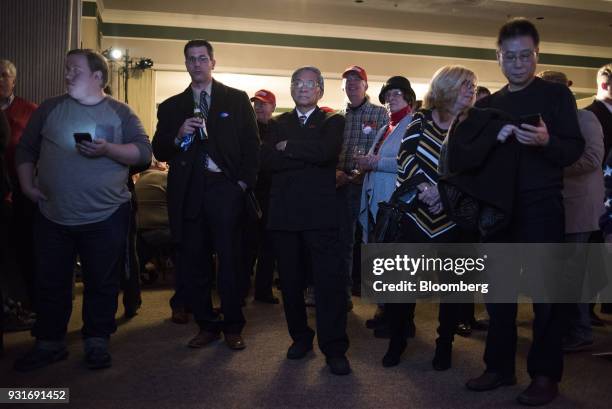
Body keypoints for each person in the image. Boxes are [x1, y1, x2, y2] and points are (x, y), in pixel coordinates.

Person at [464, 19, 584, 406]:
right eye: (509, 56)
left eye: (525, 56)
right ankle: (499, 366)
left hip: (542, 206)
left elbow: (574, 151)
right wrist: (491, 142)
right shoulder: (488, 105)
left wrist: (548, 141)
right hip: (499, 211)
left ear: (537, 55)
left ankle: (546, 375)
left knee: (547, 297)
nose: (517, 64)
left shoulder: (557, 97)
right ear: (498, 57)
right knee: (498, 295)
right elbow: (473, 163)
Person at [14, 49, 152, 371]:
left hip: (105, 215)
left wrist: (108, 149)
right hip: (53, 214)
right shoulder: (50, 109)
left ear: (98, 77)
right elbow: (26, 149)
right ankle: (49, 342)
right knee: (50, 280)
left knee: (101, 281)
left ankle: (96, 340)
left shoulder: (122, 113)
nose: (67, 74)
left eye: (74, 70)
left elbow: (144, 154)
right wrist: (26, 186)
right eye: (66, 69)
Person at [152, 39, 259, 351]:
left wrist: (241, 185)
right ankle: (206, 325)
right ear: (186, 64)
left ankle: (232, 325)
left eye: (202, 58)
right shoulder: (172, 106)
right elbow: (158, 150)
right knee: (194, 262)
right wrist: (178, 134)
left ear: (213, 62)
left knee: (231, 262)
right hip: (188, 193)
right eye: (190, 59)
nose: (196, 64)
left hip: (225, 189)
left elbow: (253, 148)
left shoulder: (236, 100)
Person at [383, 66, 478, 370]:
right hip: (415, 215)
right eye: (465, 85)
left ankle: (444, 345)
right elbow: (406, 158)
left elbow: (473, 170)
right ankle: (396, 342)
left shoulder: (471, 125)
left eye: (473, 86)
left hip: (453, 219)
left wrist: (443, 194)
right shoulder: (420, 119)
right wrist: (429, 190)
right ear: (446, 87)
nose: (471, 91)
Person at [261, 66, 350, 375]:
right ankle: (300, 338)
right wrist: (302, 154)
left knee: (329, 286)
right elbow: (267, 161)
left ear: (320, 90)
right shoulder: (276, 123)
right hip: (284, 217)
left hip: (320, 217)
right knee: (290, 284)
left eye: (309, 83)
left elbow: (326, 153)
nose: (302, 87)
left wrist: (290, 148)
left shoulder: (332, 120)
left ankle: (334, 347)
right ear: (291, 88)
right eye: (297, 82)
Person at [537, 70, 604, 352]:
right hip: (555, 206)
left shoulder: (585, 118)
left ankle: (580, 331)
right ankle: (562, 328)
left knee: (574, 273)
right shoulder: (547, 121)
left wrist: (548, 169)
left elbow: (591, 159)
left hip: (579, 207)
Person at [356, 75, 414, 336]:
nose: (391, 99)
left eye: (397, 94)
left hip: (395, 201)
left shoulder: (412, 123)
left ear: (408, 98)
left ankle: (399, 319)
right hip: (375, 197)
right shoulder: (387, 126)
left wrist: (375, 162)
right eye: (388, 95)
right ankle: (384, 309)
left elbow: (408, 162)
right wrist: (366, 161)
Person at [336, 65, 388, 306]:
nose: (352, 84)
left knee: (373, 240)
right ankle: (343, 295)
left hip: (369, 183)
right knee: (343, 241)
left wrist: (359, 173)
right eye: (348, 81)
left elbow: (381, 150)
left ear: (366, 85)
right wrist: (337, 172)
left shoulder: (380, 114)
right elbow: (332, 151)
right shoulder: (338, 118)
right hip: (341, 184)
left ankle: (379, 301)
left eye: (357, 81)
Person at [0, 59, 38, 317]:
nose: (0, 80)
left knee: (24, 248)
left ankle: (28, 302)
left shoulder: (29, 110)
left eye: (4, 75)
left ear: (14, 80)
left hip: (21, 187)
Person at [248, 89, 279, 304]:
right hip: (249, 193)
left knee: (269, 246)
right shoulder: (246, 129)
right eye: (256, 103)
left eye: (263, 103)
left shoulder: (279, 130)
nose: (259, 107)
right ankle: (240, 290)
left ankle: (263, 290)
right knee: (246, 245)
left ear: (273, 107)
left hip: (272, 194)